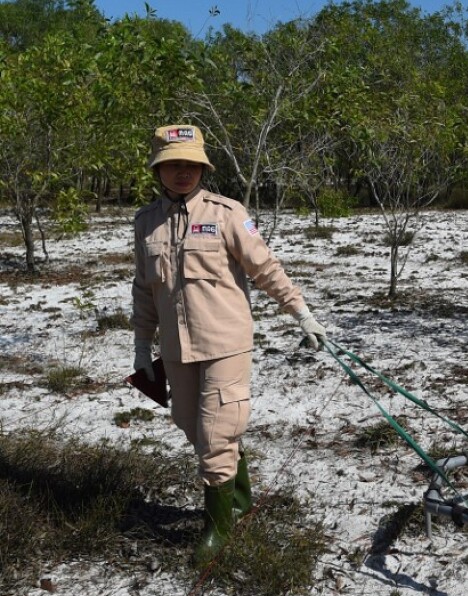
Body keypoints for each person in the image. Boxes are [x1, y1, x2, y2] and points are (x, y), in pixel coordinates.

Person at [130, 124, 329, 567]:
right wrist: (143, 347)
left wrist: (300, 312)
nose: (183, 172)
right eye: (174, 164)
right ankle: (238, 496)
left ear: (203, 168)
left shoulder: (227, 213)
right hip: (177, 347)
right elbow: (144, 290)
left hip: (226, 343)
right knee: (189, 424)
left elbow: (265, 268)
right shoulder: (145, 222)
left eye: (192, 164)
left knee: (215, 434)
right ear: (159, 170)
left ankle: (218, 527)